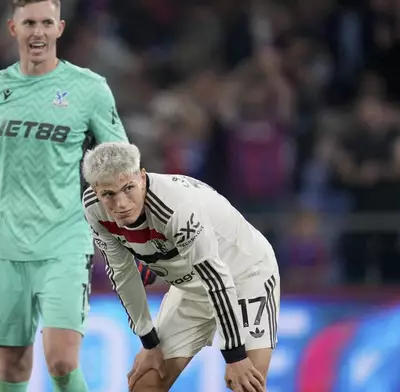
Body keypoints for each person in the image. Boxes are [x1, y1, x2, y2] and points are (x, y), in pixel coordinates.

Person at [0, 1, 131, 391]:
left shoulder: (89, 89)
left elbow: (120, 165)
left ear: (60, 28)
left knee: (62, 360)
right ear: (13, 28)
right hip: (6, 248)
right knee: (13, 368)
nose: (38, 32)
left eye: (46, 23)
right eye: (29, 23)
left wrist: (140, 232)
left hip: (64, 243)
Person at [81, 142, 281, 392]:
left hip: (245, 273)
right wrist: (149, 343)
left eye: (128, 188)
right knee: (145, 384)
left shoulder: (177, 207)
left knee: (246, 384)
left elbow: (216, 279)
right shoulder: (93, 209)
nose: (120, 203)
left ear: (141, 177)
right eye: (108, 194)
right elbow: (122, 273)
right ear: (96, 191)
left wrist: (235, 355)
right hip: (190, 284)